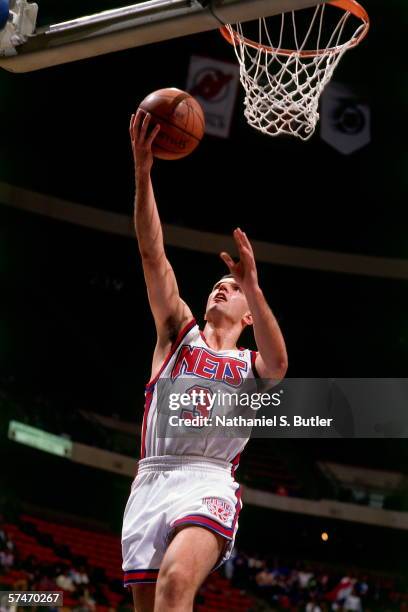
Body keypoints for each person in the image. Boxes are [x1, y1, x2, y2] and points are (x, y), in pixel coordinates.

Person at [122, 109, 288, 612]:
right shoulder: (178, 333)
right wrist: (143, 173)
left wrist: (254, 284)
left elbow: (280, 362)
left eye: (234, 288)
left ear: (249, 313)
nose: (223, 285)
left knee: (176, 583)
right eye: (222, 282)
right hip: (151, 478)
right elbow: (154, 255)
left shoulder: (254, 366)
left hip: (208, 479)